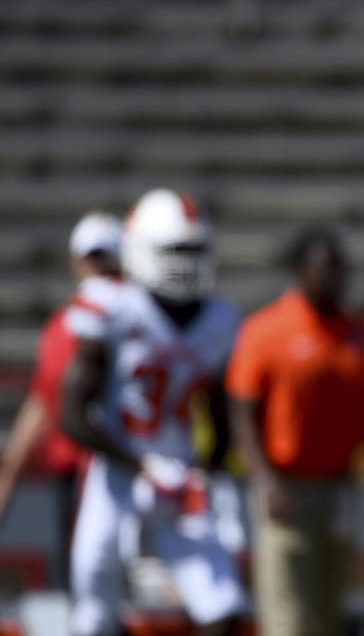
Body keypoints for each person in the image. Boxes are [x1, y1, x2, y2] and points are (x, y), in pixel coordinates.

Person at [61, 189, 245, 636]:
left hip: (178, 475)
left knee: (221, 603)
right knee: (95, 605)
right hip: (115, 474)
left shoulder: (219, 319)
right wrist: (141, 466)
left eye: (193, 249)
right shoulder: (112, 306)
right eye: (174, 250)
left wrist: (209, 472)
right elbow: (70, 414)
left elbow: (221, 414)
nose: (184, 261)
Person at [225, 226, 364, 636]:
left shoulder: (356, 333)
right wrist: (264, 480)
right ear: (300, 271)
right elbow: (242, 412)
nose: (335, 276)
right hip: (288, 488)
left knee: (330, 608)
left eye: (339, 268)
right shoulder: (266, 330)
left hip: (342, 487)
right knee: (287, 612)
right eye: (325, 267)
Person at [0, 211, 121, 547]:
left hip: (99, 470)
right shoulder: (148, 315)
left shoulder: (69, 323)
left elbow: (42, 406)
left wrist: (4, 482)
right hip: (117, 469)